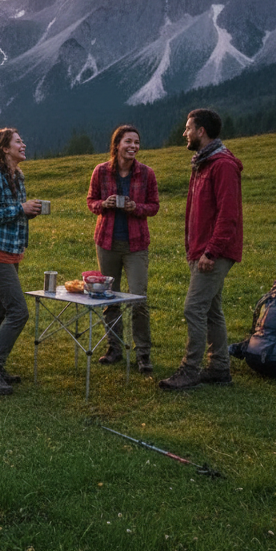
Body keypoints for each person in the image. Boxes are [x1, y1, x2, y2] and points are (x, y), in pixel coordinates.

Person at [159, 108, 243, 391]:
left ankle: (190, 370)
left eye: (188, 128)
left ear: (201, 131)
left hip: (213, 252)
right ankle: (219, 368)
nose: (185, 133)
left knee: (193, 309)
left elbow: (228, 215)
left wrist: (211, 251)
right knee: (211, 311)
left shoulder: (222, 165)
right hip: (201, 250)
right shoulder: (203, 164)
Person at [0, 128, 44, 395]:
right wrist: (20, 209)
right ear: (5, 148)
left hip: (11, 251)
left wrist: (28, 213)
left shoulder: (18, 176)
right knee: (19, 311)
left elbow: (11, 215)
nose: (23, 144)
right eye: (18, 141)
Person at [86, 125, 159, 373]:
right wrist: (103, 204)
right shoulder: (101, 172)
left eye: (136, 142)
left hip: (136, 244)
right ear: (117, 144)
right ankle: (114, 348)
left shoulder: (146, 174)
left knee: (139, 299)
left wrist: (135, 208)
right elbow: (91, 201)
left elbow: (154, 206)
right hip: (106, 243)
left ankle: (143, 354)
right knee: (110, 298)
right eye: (128, 141)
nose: (133, 146)